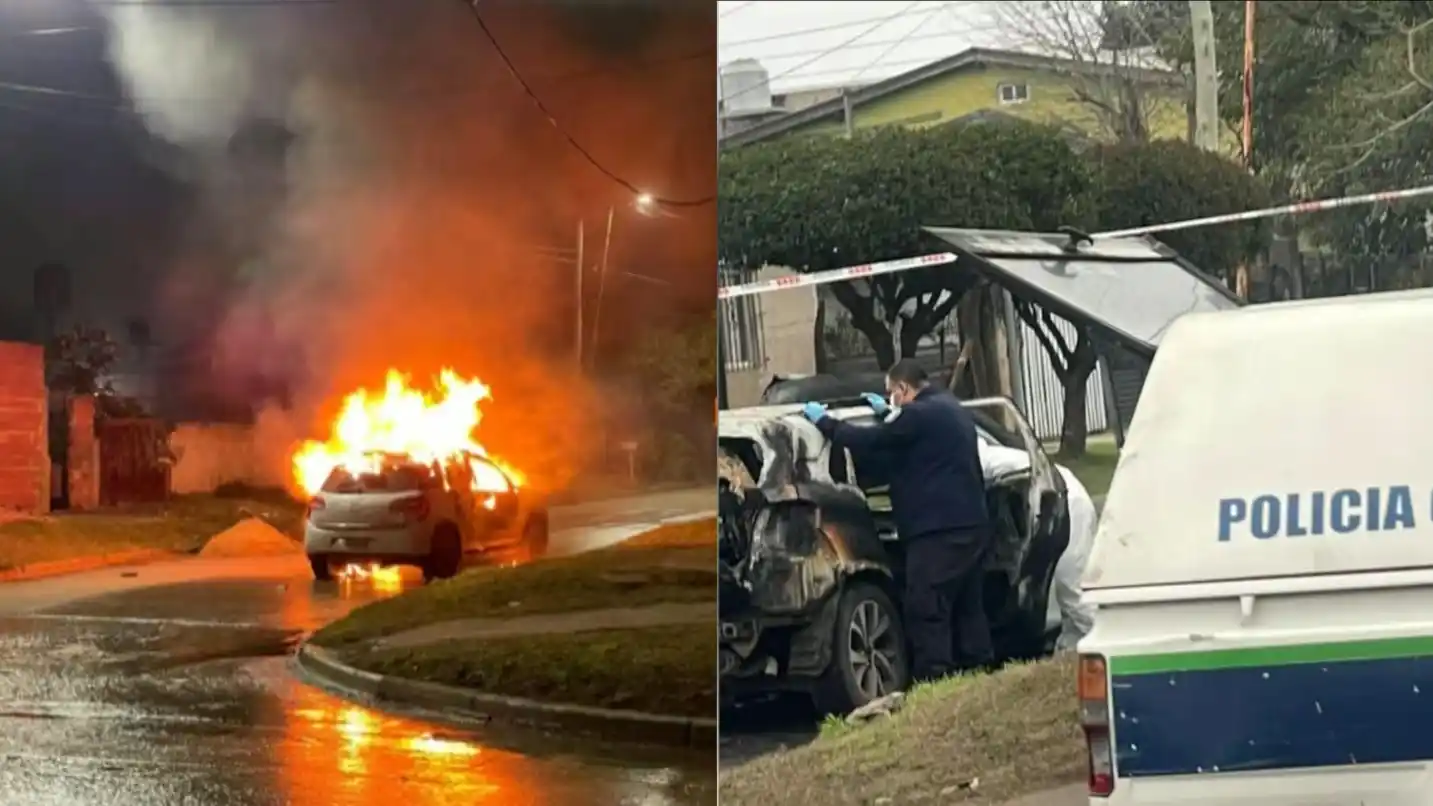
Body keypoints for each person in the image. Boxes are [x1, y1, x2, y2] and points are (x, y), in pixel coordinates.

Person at [801, 360, 993, 681]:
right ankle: (980, 670)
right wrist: (890, 415)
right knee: (967, 604)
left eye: (890, 393)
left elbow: (872, 442)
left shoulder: (916, 415)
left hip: (937, 533)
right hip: (971, 524)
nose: (889, 398)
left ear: (903, 390)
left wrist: (826, 424)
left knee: (926, 607)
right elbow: (913, 441)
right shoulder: (950, 407)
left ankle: (935, 678)